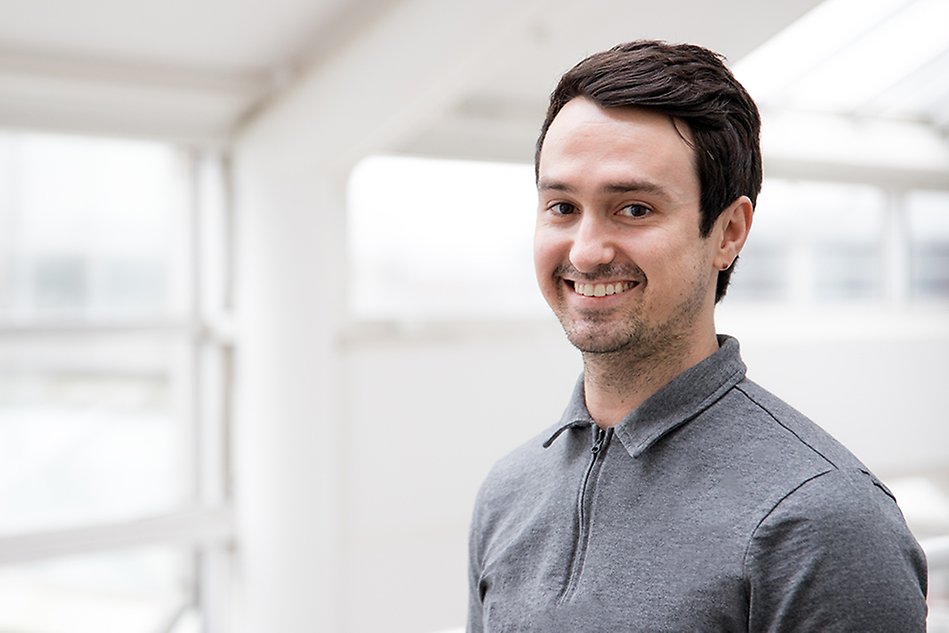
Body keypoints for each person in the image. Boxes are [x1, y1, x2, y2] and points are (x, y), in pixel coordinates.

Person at [466, 40, 928, 632]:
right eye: (561, 206)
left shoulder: (824, 520)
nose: (585, 250)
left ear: (729, 232)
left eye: (633, 209)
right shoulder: (507, 493)